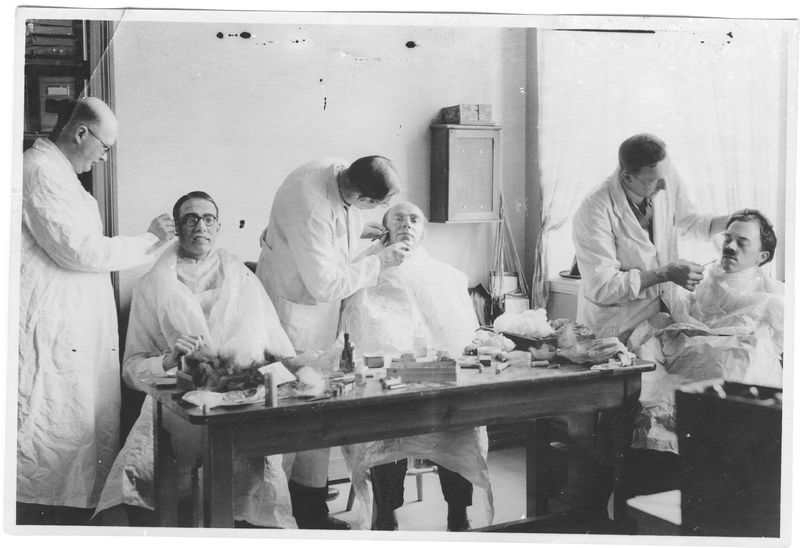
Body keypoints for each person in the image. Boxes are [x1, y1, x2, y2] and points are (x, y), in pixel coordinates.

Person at [95, 191, 302, 527]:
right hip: (178, 401)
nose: (200, 226)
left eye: (208, 219)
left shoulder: (244, 279)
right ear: (177, 228)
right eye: (190, 218)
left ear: (218, 227)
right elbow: (132, 368)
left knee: (256, 470)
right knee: (149, 476)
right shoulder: (153, 285)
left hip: (241, 395)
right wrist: (167, 360)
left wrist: (291, 373)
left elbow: (280, 350)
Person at [18, 97, 174, 525]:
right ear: (80, 132)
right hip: (51, 327)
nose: (104, 157)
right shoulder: (39, 170)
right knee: (45, 434)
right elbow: (79, 250)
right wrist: (149, 240)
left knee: (71, 439)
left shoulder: (61, 176)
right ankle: (39, 522)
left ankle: (68, 514)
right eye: (104, 146)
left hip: (71, 327)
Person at [256, 156, 409, 529]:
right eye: (375, 205)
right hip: (292, 315)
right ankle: (275, 520)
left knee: (317, 413)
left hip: (316, 312)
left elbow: (335, 227)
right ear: (362, 197)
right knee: (291, 416)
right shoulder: (311, 207)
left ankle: (310, 510)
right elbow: (325, 284)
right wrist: (380, 261)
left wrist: (358, 231)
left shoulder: (336, 170)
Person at [339, 202, 491, 531]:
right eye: (398, 218)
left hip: (436, 373)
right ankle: (386, 512)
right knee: (386, 427)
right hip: (387, 373)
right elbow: (363, 329)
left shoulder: (444, 275)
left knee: (459, 424)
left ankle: (458, 512)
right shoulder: (366, 269)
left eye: (414, 219)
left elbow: (458, 334)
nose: (407, 224)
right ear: (384, 228)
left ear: (422, 230)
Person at [627, 209, 783, 486]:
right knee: (648, 352)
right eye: (728, 238)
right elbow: (682, 314)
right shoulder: (704, 278)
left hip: (726, 368)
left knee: (742, 359)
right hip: (686, 355)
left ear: (762, 257)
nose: (730, 246)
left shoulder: (772, 298)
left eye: (742, 242)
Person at [572, 133, 730, 342]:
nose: (664, 186)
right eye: (654, 181)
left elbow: (689, 221)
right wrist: (665, 273)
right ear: (627, 177)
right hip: (617, 325)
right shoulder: (594, 210)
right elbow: (603, 287)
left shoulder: (663, 175)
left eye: (665, 177)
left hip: (660, 317)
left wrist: (730, 221)